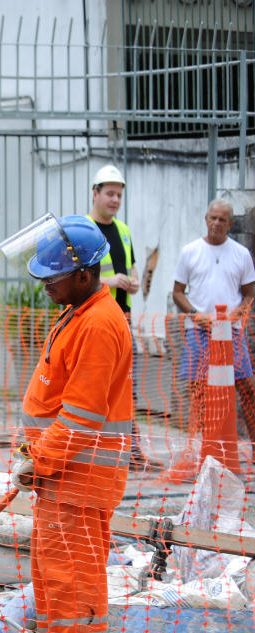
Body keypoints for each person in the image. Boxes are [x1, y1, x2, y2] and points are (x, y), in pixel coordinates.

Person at [2, 213, 132, 633]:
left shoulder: (99, 323)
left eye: (52, 277)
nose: (44, 286)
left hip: (80, 474)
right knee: (54, 575)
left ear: (84, 273)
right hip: (63, 473)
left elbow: (81, 414)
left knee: (74, 576)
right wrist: (33, 455)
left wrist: (40, 460)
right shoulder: (77, 312)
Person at [86, 164, 158, 470]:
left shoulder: (124, 230)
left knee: (125, 382)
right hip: (95, 317)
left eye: (119, 195)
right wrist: (109, 282)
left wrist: (133, 280)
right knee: (97, 382)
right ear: (96, 194)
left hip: (122, 317)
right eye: (110, 194)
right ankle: (98, 444)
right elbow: (77, 277)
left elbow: (131, 268)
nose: (115, 200)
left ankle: (128, 445)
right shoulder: (85, 229)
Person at [171, 198, 255, 440]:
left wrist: (235, 316)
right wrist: (197, 316)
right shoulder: (190, 251)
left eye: (222, 220)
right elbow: (178, 292)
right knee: (198, 390)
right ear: (206, 219)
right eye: (212, 218)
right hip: (198, 330)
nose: (216, 223)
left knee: (247, 387)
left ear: (231, 223)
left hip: (233, 332)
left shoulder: (241, 254)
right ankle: (201, 448)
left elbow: (249, 296)